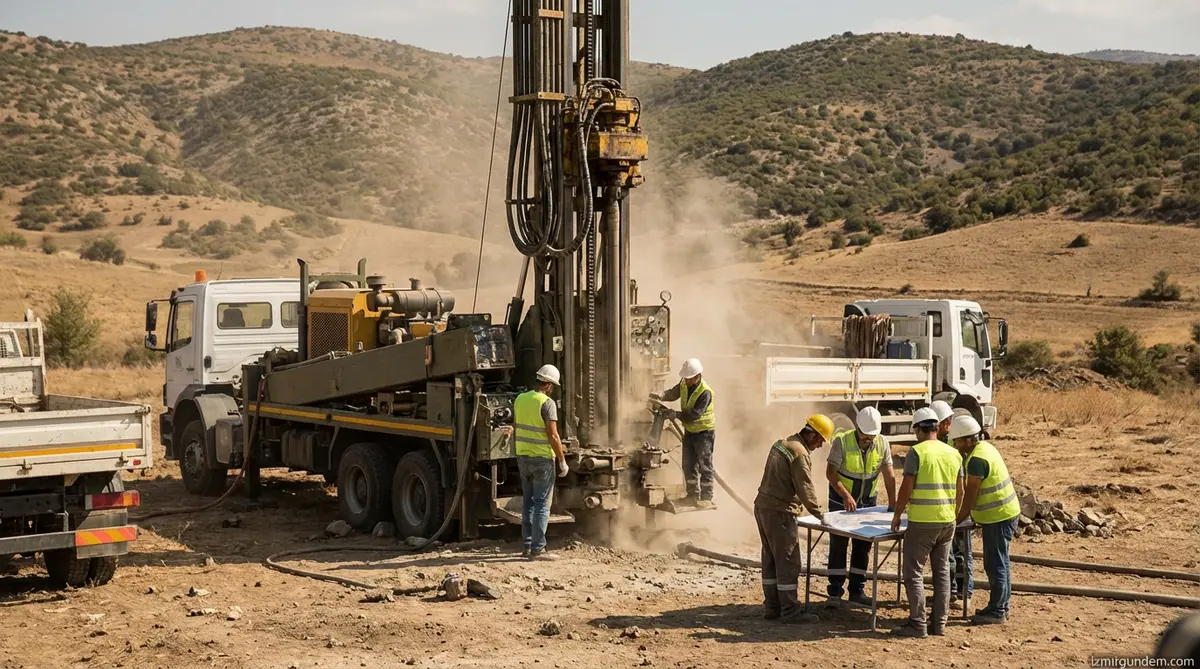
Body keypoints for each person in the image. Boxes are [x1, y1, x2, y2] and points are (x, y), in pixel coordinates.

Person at [753, 415, 835, 624]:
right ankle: (790, 611)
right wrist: (820, 514)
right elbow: (805, 487)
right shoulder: (799, 453)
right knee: (788, 562)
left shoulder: (783, 443)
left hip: (763, 506)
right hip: (780, 512)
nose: (819, 446)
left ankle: (772, 607)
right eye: (820, 441)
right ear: (813, 434)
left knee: (770, 559)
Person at [890, 407, 964, 638]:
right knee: (942, 572)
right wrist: (954, 514)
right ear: (936, 427)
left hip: (922, 522)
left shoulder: (917, 452)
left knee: (913, 573)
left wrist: (897, 514)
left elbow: (906, 487)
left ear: (919, 429)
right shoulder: (953, 453)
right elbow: (960, 490)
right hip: (947, 522)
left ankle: (917, 623)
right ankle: (939, 624)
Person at [949, 414, 1021, 625]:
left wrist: (955, 522)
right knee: (1002, 562)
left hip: (998, 517)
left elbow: (970, 498)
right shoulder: (986, 448)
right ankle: (1000, 606)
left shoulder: (977, 461)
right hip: (1004, 514)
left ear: (966, 439)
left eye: (957, 440)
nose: (955, 444)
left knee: (995, 564)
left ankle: (997, 610)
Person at [825, 406, 897, 606]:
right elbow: (831, 473)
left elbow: (889, 474)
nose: (868, 440)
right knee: (839, 546)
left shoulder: (882, 443)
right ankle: (835, 592)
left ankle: (857, 590)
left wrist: (893, 503)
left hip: (867, 502)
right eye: (865, 436)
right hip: (841, 501)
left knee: (863, 547)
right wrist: (846, 495)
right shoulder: (842, 441)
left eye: (872, 436)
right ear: (857, 428)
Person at [513, 364, 569, 560]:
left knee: (527, 503)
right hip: (542, 460)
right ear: (549, 385)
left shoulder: (520, 399)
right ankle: (538, 548)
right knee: (542, 505)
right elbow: (553, 435)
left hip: (523, 457)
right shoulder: (547, 403)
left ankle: (527, 545)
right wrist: (562, 460)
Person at [651, 358, 715, 508]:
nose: (686, 381)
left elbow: (695, 414)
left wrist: (676, 415)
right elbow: (674, 393)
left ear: (697, 376)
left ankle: (706, 497)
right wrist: (661, 395)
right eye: (685, 378)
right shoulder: (684, 383)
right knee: (688, 464)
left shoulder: (705, 392)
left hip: (704, 433)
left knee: (705, 465)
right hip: (690, 432)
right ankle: (692, 495)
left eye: (689, 378)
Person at [932, 400, 972, 605]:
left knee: (961, 551)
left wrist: (961, 511)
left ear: (946, 423)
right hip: (945, 506)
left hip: (958, 506)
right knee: (948, 553)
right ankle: (951, 591)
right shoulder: (940, 441)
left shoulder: (956, 441)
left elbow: (963, 481)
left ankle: (963, 592)